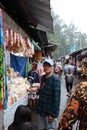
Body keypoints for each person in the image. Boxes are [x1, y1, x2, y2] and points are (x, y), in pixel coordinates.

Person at [37, 58, 61, 130]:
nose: (46, 67)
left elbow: (57, 99)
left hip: (49, 113)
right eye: (45, 65)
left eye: (49, 66)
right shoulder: (43, 78)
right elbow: (42, 91)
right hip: (41, 110)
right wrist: (36, 90)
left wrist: (53, 114)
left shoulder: (55, 80)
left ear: (53, 67)